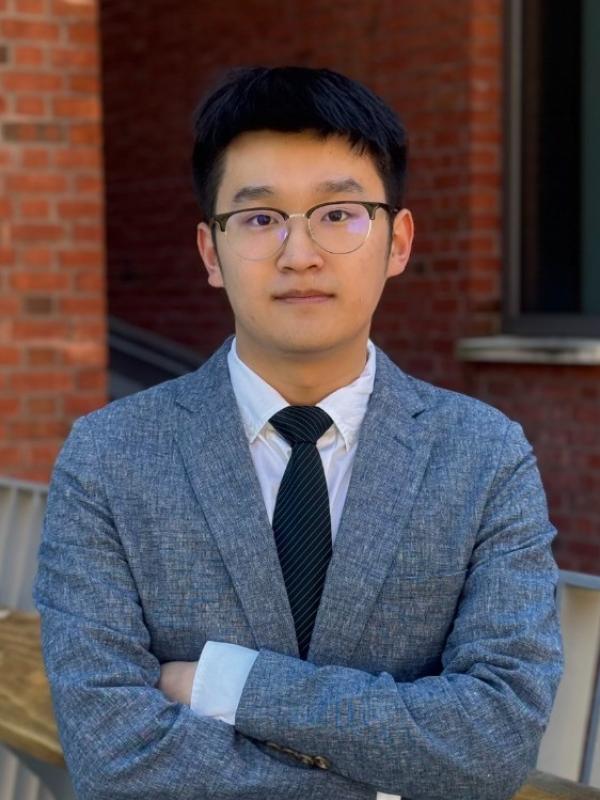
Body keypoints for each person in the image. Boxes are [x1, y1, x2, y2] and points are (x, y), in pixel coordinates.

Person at [34, 66, 563, 800]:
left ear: (399, 240)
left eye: (338, 213)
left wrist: (230, 684)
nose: (299, 254)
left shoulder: (484, 455)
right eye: (259, 219)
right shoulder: (108, 458)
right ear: (210, 252)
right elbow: (114, 757)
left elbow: (496, 741)